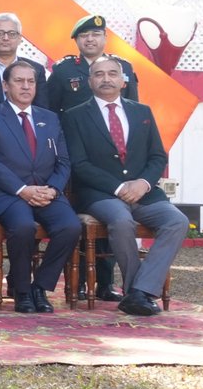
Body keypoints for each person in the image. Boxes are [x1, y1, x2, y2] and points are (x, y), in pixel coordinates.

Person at [61, 56, 187, 317]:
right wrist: (119, 188)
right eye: (99, 74)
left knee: (177, 221)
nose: (106, 79)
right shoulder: (74, 116)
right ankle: (136, 292)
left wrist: (143, 183)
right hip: (100, 194)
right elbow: (79, 164)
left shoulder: (142, 112)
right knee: (121, 220)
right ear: (89, 81)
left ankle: (139, 291)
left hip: (144, 193)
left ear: (123, 80)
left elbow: (157, 156)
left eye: (112, 73)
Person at [46, 14, 138, 301]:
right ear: (76, 40)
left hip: (114, 161)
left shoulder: (123, 68)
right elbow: (50, 113)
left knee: (111, 220)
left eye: (96, 34)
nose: (90, 39)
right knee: (78, 221)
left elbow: (133, 112)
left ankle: (105, 283)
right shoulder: (63, 71)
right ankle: (80, 282)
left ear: (105, 38)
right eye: (84, 35)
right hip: (76, 160)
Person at [0, 61, 80, 313]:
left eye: (30, 81)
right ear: (5, 85)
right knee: (23, 226)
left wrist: (53, 189)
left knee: (70, 227)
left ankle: (40, 287)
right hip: (8, 193)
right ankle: (21, 290)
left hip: (46, 192)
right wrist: (22, 189)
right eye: (19, 81)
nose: (25, 86)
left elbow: (64, 161)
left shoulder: (50, 118)